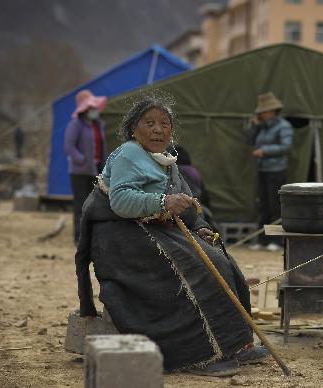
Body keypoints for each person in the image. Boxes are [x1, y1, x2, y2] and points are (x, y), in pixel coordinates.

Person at [74, 95, 268, 376]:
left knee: (217, 257)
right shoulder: (129, 154)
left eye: (164, 124)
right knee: (194, 269)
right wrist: (163, 203)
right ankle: (199, 355)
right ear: (133, 130)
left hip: (152, 229)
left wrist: (199, 225)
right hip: (121, 238)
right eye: (149, 123)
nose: (158, 130)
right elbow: (120, 200)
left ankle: (234, 343)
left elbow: (187, 200)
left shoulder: (167, 160)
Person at [246, 92, 294, 251]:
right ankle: (263, 240)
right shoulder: (262, 127)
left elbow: (286, 147)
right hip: (262, 170)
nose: (261, 114)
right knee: (263, 205)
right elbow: (250, 141)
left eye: (263, 112)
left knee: (275, 205)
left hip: (276, 170)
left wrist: (265, 151)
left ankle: (276, 241)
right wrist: (255, 126)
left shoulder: (283, 126)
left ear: (272, 111)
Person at [64, 89, 108, 244]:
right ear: (85, 109)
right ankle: (79, 237)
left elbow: (101, 146)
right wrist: (81, 159)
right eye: (91, 107)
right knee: (81, 204)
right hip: (80, 171)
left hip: (96, 170)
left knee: (94, 205)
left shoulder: (97, 125)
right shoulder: (76, 124)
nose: (94, 110)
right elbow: (69, 146)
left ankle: (92, 236)